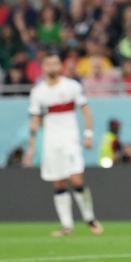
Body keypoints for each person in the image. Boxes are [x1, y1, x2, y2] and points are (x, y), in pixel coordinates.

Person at [23, 51, 103, 237]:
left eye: (56, 64)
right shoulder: (38, 93)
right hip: (51, 142)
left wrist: (88, 134)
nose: (53, 67)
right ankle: (67, 225)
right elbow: (35, 120)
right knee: (58, 182)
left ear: (61, 66)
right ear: (43, 67)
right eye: (49, 64)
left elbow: (86, 111)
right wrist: (31, 147)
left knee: (76, 179)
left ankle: (89, 218)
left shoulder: (71, 87)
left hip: (70, 140)